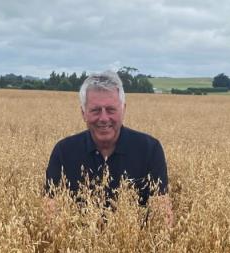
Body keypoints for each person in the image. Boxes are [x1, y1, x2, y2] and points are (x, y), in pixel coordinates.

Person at [44, 70, 173, 226]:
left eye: (111, 110)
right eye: (95, 110)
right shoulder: (63, 152)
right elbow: (49, 218)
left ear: (123, 109)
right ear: (83, 113)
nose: (104, 118)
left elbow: (162, 218)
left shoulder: (150, 149)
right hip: (76, 249)